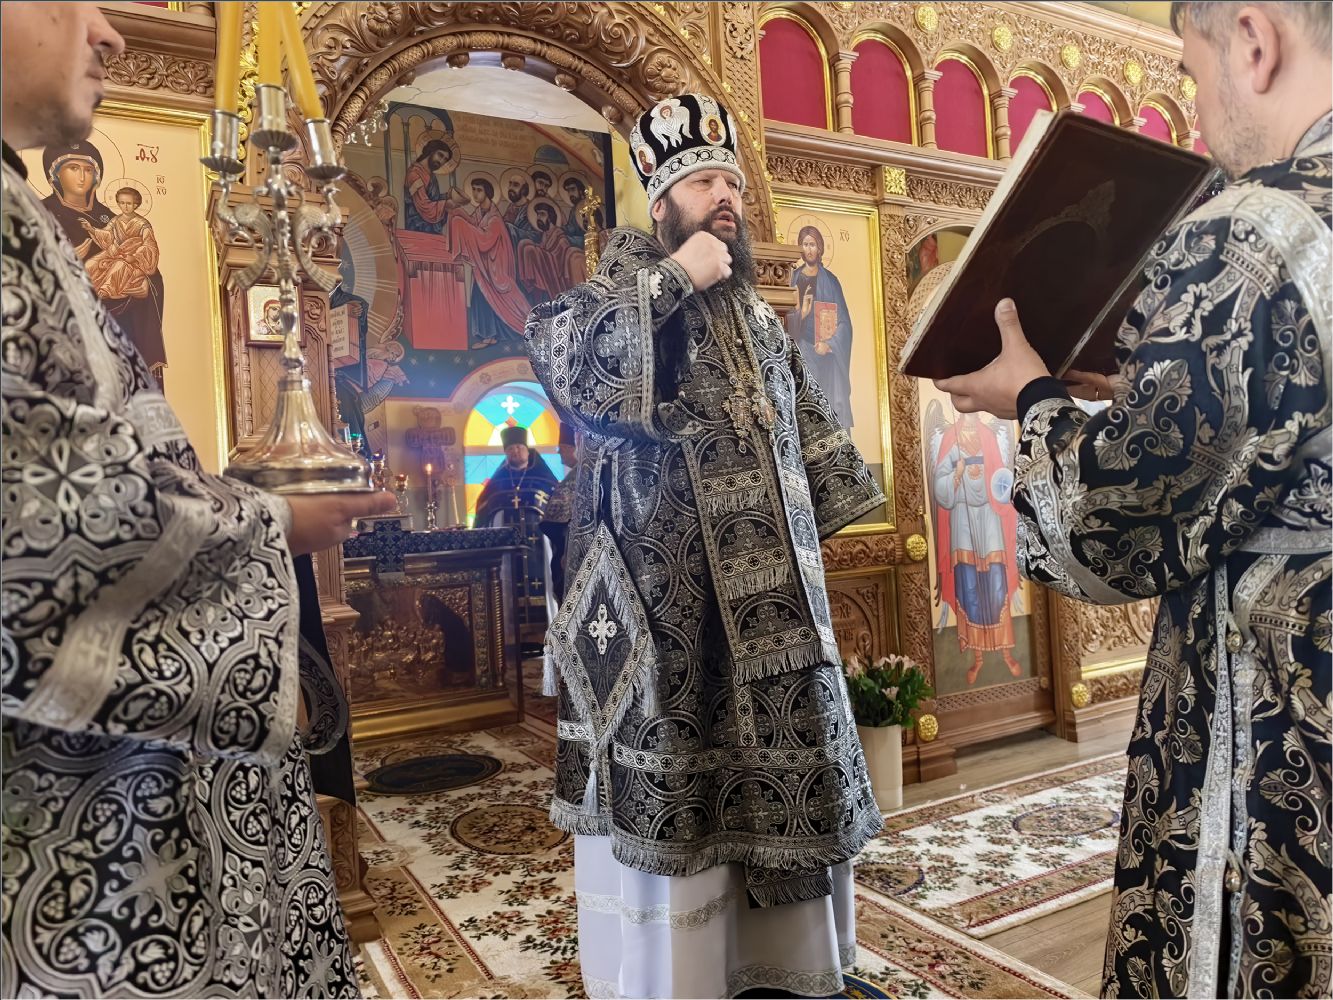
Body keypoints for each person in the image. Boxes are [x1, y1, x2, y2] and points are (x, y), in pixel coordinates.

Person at [933, 4, 1330, 996]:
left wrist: (1032, 400)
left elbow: (1107, 521)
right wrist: (1142, 391)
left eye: (1192, 74)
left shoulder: (1254, 226)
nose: (1197, 114)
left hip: (1286, 708)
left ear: (1253, 41)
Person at [0, 4, 395, 996]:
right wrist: (270, 525)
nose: (107, 32)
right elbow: (40, 520)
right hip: (85, 833)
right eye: (71, 0)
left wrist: (246, 513)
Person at [525, 92, 884, 999]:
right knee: (683, 784)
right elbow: (568, 364)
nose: (725, 196)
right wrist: (672, 280)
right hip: (665, 607)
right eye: (702, 183)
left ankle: (785, 970)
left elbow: (805, 431)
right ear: (662, 202)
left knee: (782, 771)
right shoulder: (616, 292)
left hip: (774, 608)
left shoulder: (756, 314)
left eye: (732, 182)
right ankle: (673, 981)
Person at [787, 224, 854, 427]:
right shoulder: (792, 280)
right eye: (805, 244)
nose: (809, 249)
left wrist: (830, 344)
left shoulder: (831, 282)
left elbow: (845, 323)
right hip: (803, 350)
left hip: (827, 356)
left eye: (813, 245)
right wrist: (802, 314)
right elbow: (782, 321)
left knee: (830, 407)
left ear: (820, 248)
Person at [474, 424, 559, 525]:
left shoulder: (544, 477)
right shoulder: (497, 481)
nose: (515, 451)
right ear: (505, 453)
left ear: (528, 451)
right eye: (510, 449)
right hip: (504, 532)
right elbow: (483, 509)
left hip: (537, 531)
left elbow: (558, 504)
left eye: (519, 447)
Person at [538, 421, 578, 608]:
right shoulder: (577, 474)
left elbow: (561, 522)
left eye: (560, 449)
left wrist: (567, 551)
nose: (559, 453)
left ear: (572, 448)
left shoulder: (578, 476)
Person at [403, 137, 455, 233]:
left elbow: (432, 198)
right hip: (418, 228)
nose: (441, 161)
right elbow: (423, 204)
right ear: (431, 151)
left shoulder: (431, 176)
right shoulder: (415, 174)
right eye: (440, 155)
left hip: (429, 227)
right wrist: (445, 204)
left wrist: (447, 196)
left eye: (445, 159)